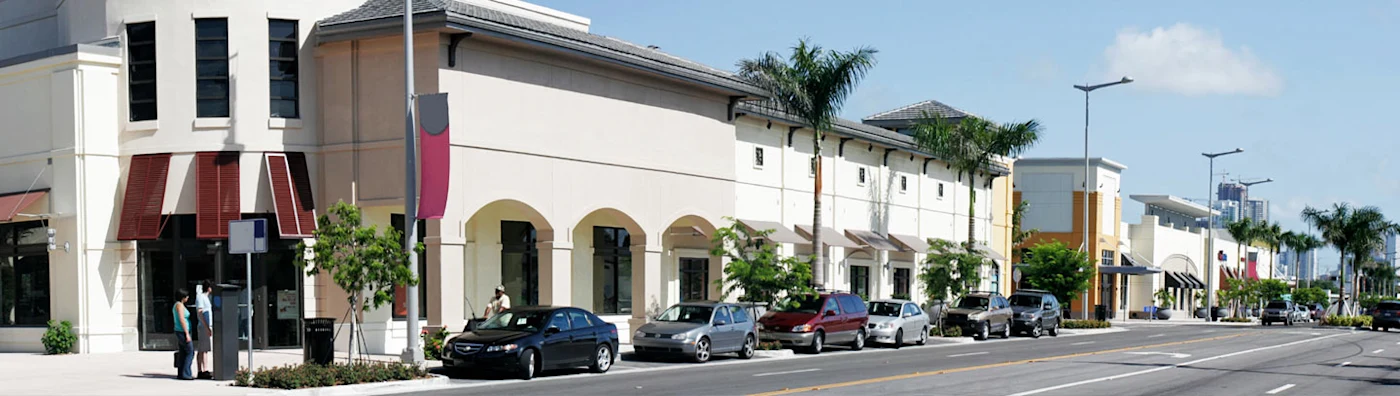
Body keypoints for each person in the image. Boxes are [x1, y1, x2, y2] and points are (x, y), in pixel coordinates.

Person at [173, 288, 194, 380]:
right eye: (186, 296)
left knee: (183, 352)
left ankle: (181, 373)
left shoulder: (177, 305)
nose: (188, 298)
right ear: (183, 297)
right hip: (182, 331)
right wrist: (187, 333)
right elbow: (182, 319)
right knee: (190, 352)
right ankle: (186, 373)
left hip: (180, 331)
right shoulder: (179, 306)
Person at [194, 281, 213, 379]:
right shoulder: (201, 297)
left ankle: (203, 370)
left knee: (204, 349)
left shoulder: (207, 298)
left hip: (206, 325)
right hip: (203, 326)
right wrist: (207, 327)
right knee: (203, 349)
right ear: (208, 288)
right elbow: (200, 313)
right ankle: (203, 370)